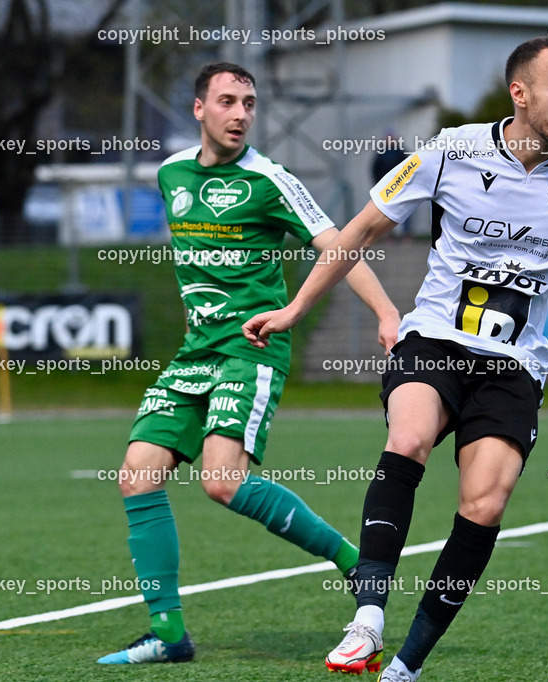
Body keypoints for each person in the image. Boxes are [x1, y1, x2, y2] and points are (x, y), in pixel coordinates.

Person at [243, 38, 548, 681]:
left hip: (514, 365)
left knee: (484, 505)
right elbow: (360, 229)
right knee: (411, 435)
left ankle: (405, 667)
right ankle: (367, 617)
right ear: (520, 92)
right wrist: (294, 310)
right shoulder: (452, 150)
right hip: (435, 342)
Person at [97, 62, 400, 665]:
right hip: (196, 351)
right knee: (137, 472)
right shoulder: (170, 174)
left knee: (221, 480)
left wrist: (387, 314)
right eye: (228, 101)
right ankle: (169, 634)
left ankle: (353, 562)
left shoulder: (271, 180)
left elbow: (338, 246)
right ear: (198, 109)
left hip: (252, 345)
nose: (240, 114)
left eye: (250, 103)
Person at [372, 129, 411, 241]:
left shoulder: (400, 152)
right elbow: (375, 169)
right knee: (386, 213)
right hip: (386, 188)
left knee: (405, 210)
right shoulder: (381, 153)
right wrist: (378, 185)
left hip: (401, 186)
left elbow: (408, 167)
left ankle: (406, 234)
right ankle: (390, 236)